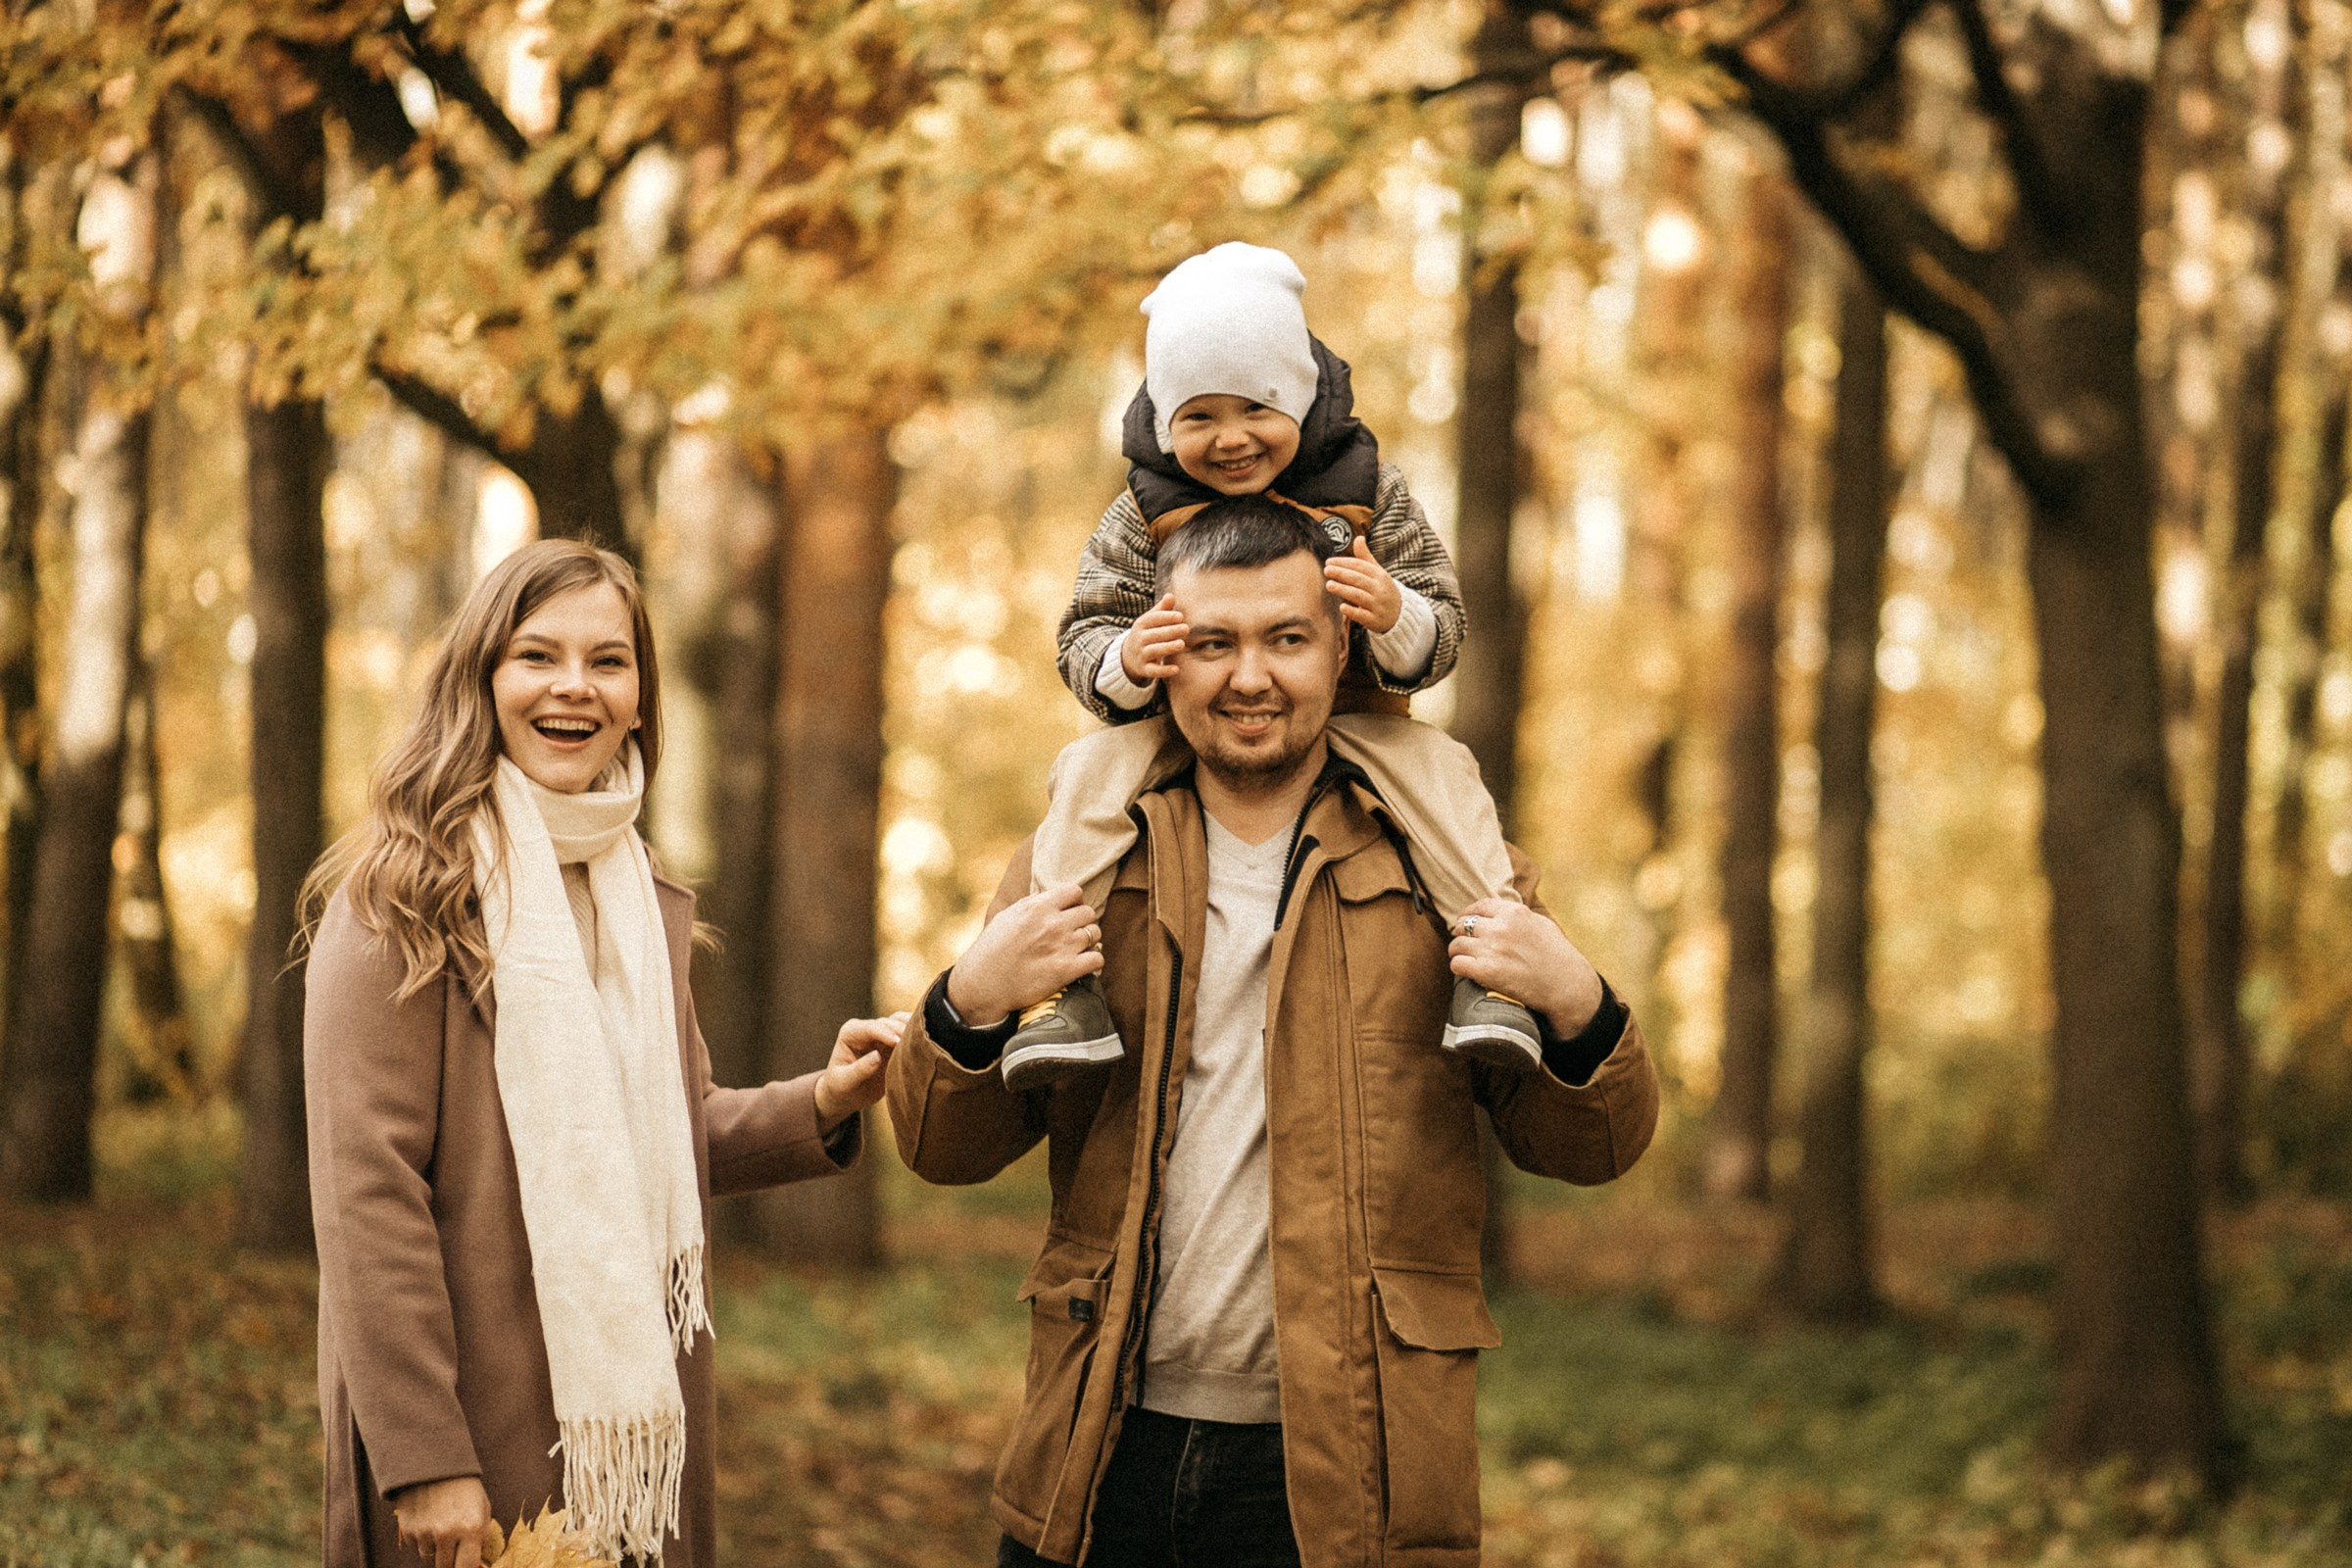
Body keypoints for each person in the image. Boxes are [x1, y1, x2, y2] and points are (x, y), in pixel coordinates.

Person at [888, 497, 1660, 1567]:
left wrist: (1578, 1002)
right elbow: (942, 1147)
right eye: (1214, 642)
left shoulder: (1450, 866)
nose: (1249, 676)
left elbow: (1593, 1146)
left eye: (1285, 638)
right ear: (1162, 649)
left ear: (1343, 646)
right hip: (1100, 1449)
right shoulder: (1082, 859)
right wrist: (967, 1000)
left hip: (1353, 1468)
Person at [301, 539, 902, 1568]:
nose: (574, 686)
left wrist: (825, 1101)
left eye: (608, 660)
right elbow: (367, 1197)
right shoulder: (398, 902)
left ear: (639, 697)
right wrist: (425, 1458)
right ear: (481, 680)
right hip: (467, 1418)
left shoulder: (636, 895)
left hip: (628, 1426)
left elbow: (673, 1123)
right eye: (538, 656)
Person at [1003, 240, 1540, 1093]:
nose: (1230, 440)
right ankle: (1058, 986)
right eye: (1197, 418)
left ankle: (1493, 967)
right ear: (1162, 421)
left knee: (1446, 778)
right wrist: (1123, 660)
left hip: (1358, 713)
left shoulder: (1371, 494)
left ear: (1300, 395)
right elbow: (1083, 631)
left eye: (1256, 408)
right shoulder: (1142, 513)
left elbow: (1444, 623)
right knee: (1085, 779)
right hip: (1175, 724)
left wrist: (1394, 615)